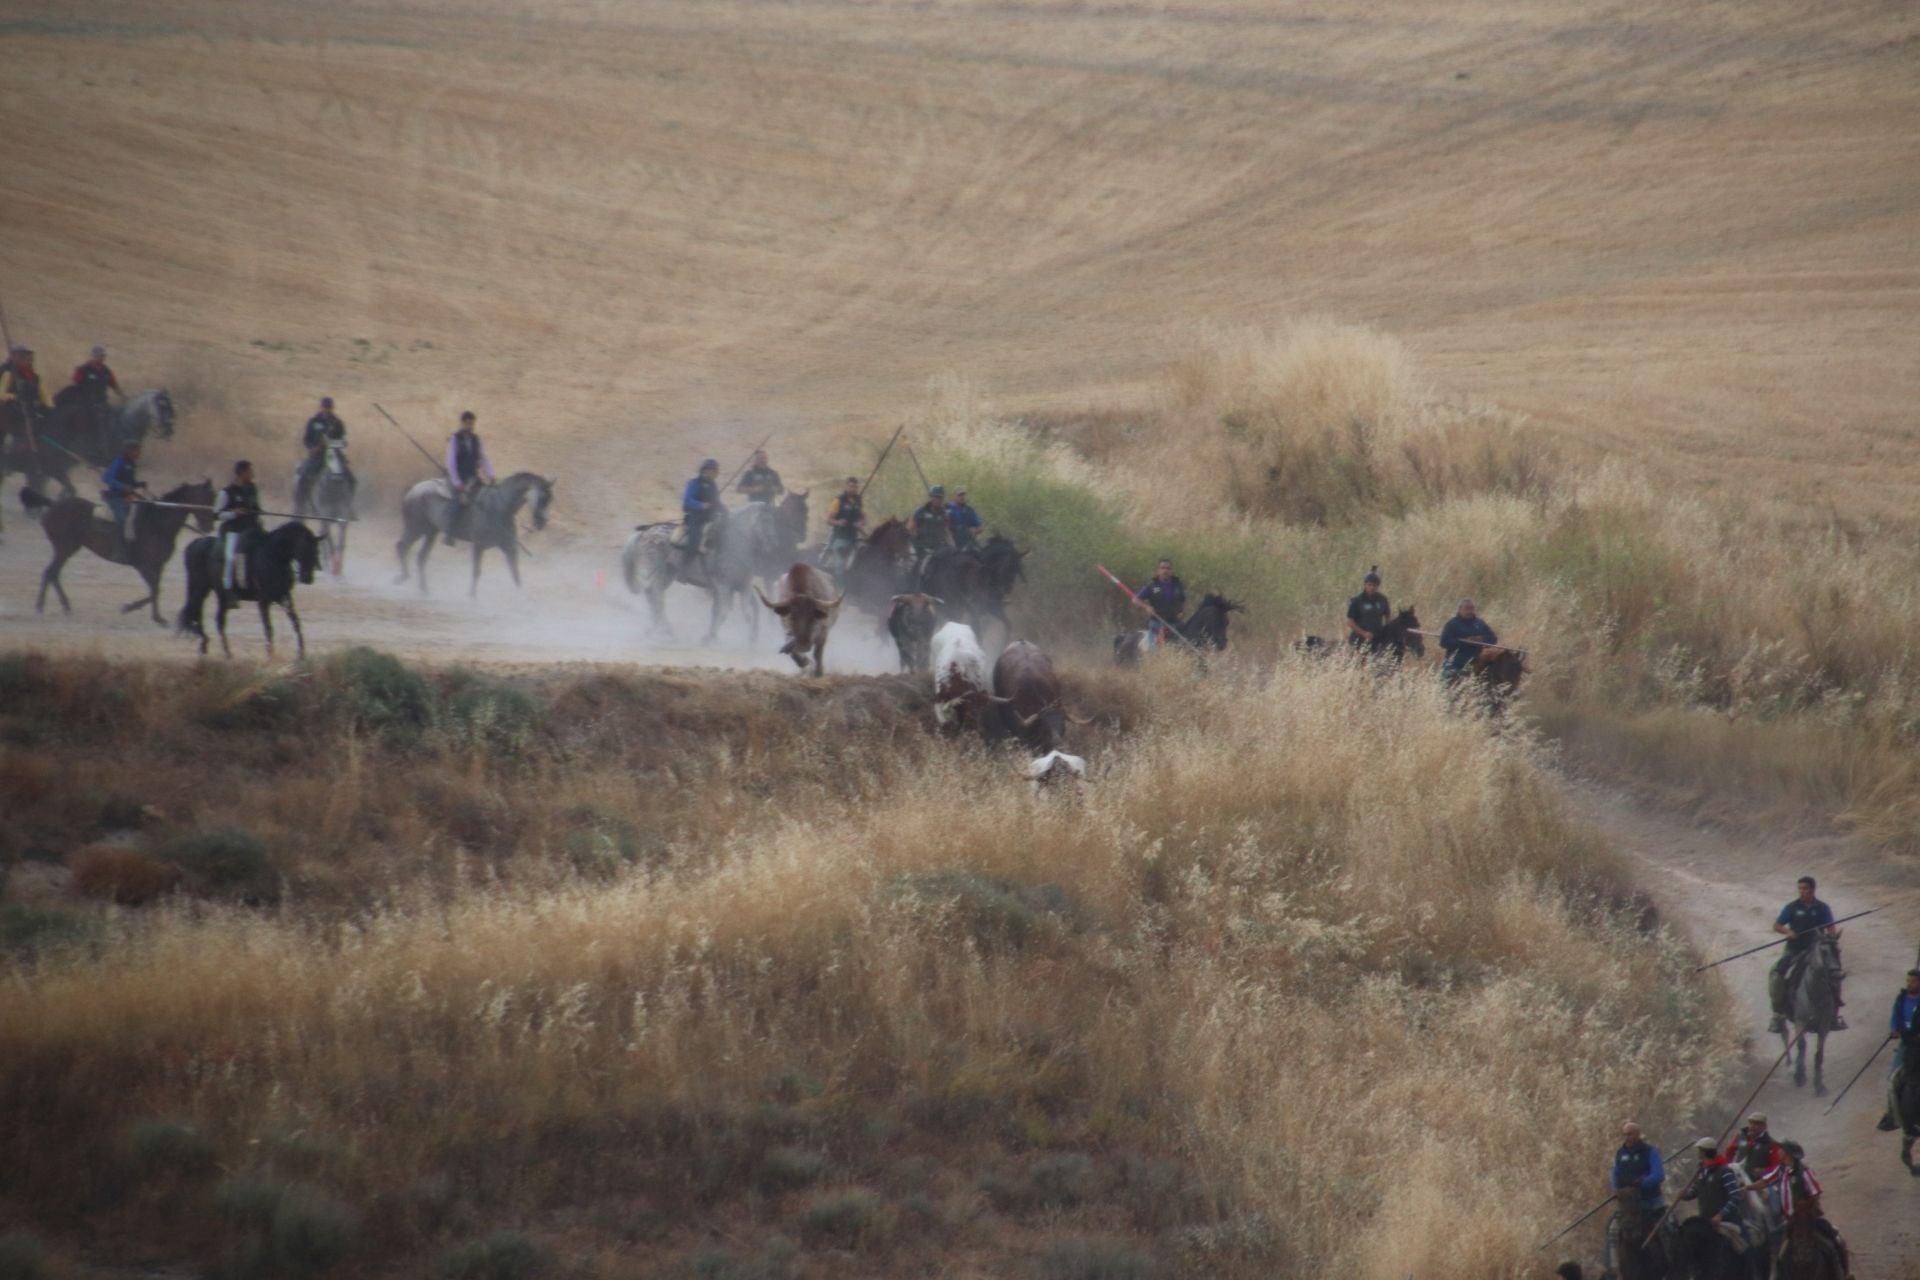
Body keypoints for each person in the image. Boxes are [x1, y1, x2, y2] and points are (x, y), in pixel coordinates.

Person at [1770, 876, 1844, 1033]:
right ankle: (1777, 1014)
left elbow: (1830, 926)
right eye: (1800, 889)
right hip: (1794, 949)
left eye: (1805, 889)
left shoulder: (1822, 908)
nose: (1802, 892)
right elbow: (1777, 925)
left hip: (1816, 949)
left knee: (1834, 973)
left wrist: (1830, 938)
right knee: (1776, 974)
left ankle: (1834, 1014)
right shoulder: (1792, 907)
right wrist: (1788, 931)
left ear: (1812, 890)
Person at [1759, 1141, 1847, 1272]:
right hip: (1791, 1222)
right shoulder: (1782, 1170)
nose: (1778, 1151)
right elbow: (1764, 1181)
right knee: (1780, 1255)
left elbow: (1815, 1192)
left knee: (1832, 1242)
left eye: (1781, 1149)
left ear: (1788, 1153)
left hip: (1808, 1220)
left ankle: (1841, 1274)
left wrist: (1806, 1209)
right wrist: (1746, 1187)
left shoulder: (1804, 1172)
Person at [1603, 1121, 1667, 1276]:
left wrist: (1642, 1184)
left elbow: (1659, 1175)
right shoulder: (1620, 1153)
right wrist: (1617, 1188)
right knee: (1612, 1229)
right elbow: (1614, 1173)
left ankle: (1672, 1267)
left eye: (1630, 1133)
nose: (1627, 1137)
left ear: (1638, 1134)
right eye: (1625, 1134)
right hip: (1629, 1208)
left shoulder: (1650, 1152)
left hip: (1650, 1204)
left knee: (1668, 1230)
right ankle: (1614, 1270)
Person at [1679, 1136, 1756, 1255]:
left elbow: (1735, 1196)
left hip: (1727, 1220)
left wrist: (1721, 1214)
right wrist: (1684, 1195)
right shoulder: (1701, 1172)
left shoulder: (1725, 1172)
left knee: (1745, 1249)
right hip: (1705, 1220)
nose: (1698, 1154)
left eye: (1700, 1151)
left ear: (1705, 1152)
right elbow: (1695, 1190)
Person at [444, 411, 495, 546]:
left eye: (472, 424)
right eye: (468, 423)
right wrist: (457, 482)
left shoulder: (476, 439)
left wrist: (491, 474)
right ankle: (449, 534)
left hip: (473, 479)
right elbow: (451, 462)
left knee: (486, 498)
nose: (471, 426)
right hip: (458, 479)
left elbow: (483, 459)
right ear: (462, 423)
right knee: (457, 502)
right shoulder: (455, 439)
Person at [1879, 967, 1920, 1131]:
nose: (1909, 984)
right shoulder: (1901, 998)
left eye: (1913, 981)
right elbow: (1895, 1016)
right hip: (1906, 1044)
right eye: (1908, 981)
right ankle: (1892, 1115)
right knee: (1892, 1078)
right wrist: (1894, 1029)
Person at [295, 396, 352, 511]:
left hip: (333, 456)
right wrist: (312, 448)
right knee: (303, 477)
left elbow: (343, 442)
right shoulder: (313, 421)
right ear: (321, 407)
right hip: (317, 457)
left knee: (351, 480)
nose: (327, 410)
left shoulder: (338, 423)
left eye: (329, 407)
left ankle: (348, 506)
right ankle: (301, 506)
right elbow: (306, 439)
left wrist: (332, 444)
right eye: (325, 407)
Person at [214, 460, 262, 592]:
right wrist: (233, 513)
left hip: (252, 529)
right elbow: (217, 514)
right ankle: (228, 589)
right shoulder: (226, 492)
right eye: (250, 472)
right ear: (242, 473)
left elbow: (256, 507)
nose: (252, 475)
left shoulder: (252, 488)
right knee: (230, 558)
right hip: (234, 531)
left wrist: (257, 513)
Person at [0, 343, 54, 449]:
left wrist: (51, 408)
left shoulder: (35, 377)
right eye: (25, 358)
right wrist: (15, 397)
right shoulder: (9, 373)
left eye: (31, 359)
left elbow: (45, 396)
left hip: (30, 412)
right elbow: (1, 394)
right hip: (10, 412)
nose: (29, 362)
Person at [100, 440, 147, 554]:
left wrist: (139, 484)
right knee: (121, 519)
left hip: (126, 498)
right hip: (115, 498)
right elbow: (106, 478)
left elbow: (129, 482)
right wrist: (123, 487)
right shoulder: (119, 462)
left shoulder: (131, 464)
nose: (139, 453)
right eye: (137, 451)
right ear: (130, 451)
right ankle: (118, 548)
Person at [1132, 559, 1187, 651]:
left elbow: (1184, 599)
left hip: (1176, 623)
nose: (1165, 571)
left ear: (1171, 571)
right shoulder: (1152, 586)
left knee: (1187, 646)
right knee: (1151, 651)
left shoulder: (1178, 585)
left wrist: (1183, 611)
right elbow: (1135, 600)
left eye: (1168, 568)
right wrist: (1146, 607)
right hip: (1157, 624)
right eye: (1162, 568)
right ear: (1158, 570)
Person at [1439, 597, 1498, 680]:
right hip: (1456, 664)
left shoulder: (1479, 623)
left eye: (1472, 608)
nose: (1469, 611)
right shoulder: (1452, 624)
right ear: (1459, 609)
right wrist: (1465, 642)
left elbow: (1493, 639)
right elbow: (1443, 642)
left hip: (1477, 663)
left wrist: (1481, 639)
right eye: (1466, 608)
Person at [679, 458, 722, 569]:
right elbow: (687, 500)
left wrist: (726, 511)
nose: (717, 473)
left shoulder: (713, 485)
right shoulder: (696, 482)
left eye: (717, 470)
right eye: (715, 470)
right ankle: (683, 570)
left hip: (710, 520)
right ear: (706, 470)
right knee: (694, 543)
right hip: (696, 519)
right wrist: (701, 505)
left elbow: (717, 503)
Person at [823, 476, 864, 571]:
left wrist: (860, 523)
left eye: (855, 487)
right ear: (846, 486)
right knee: (840, 562)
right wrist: (838, 522)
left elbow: (864, 518)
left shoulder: (858, 501)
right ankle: (839, 583)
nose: (853, 489)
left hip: (853, 537)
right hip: (840, 537)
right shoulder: (838, 501)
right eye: (851, 486)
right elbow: (828, 520)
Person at [1346, 568, 1391, 647]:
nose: (1372, 588)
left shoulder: (1382, 600)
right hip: (1359, 640)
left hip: (1377, 639)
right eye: (1369, 585)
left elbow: (1388, 616)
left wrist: (1387, 630)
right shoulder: (1357, 601)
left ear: (1378, 586)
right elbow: (1350, 622)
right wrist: (1364, 633)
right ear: (1365, 585)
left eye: (1374, 585)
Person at [912, 485, 953, 571]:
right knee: (919, 567)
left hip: (938, 548)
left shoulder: (944, 514)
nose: (939, 500)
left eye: (941, 497)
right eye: (936, 497)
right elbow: (912, 529)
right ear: (931, 497)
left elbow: (947, 531)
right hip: (921, 547)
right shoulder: (920, 511)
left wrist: (953, 545)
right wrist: (916, 544)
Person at [945, 485, 983, 552]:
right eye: (959, 495)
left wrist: (975, 531)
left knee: (982, 554)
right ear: (953, 496)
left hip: (968, 542)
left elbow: (980, 528)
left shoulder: (970, 510)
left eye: (963, 495)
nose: (962, 497)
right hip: (952, 542)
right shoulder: (947, 508)